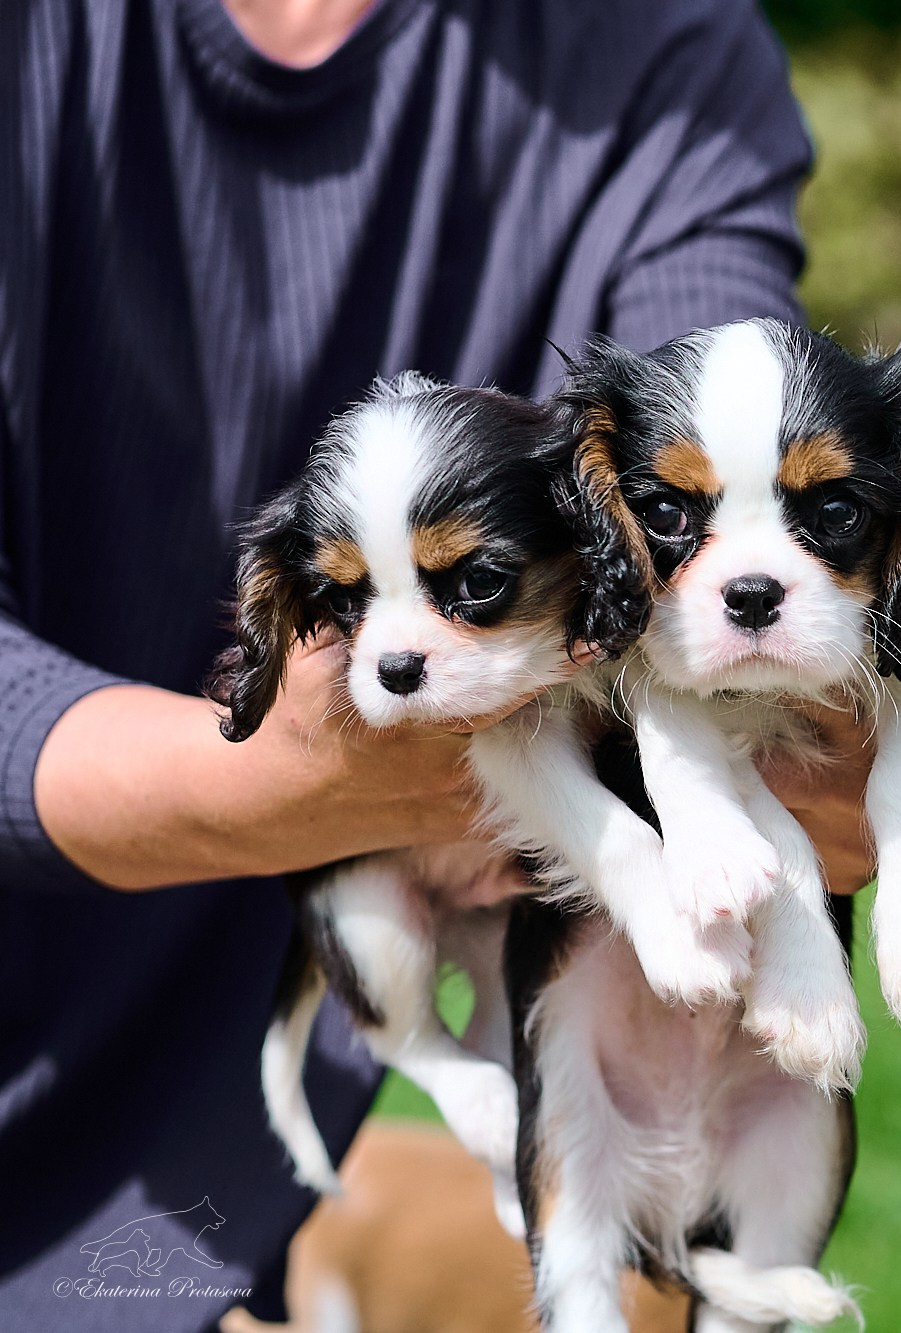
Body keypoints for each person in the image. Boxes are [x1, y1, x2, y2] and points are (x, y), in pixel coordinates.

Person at [0, 0, 818, 1325]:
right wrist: (262, 779)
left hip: (268, 1137)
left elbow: (706, 495)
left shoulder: (670, 48)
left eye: (471, 582)